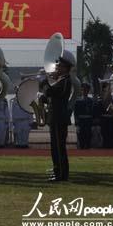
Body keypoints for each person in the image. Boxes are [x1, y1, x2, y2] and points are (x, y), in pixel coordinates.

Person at [39, 50, 74, 182]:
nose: (56, 68)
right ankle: (57, 171)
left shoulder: (65, 81)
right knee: (55, 147)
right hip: (55, 118)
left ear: (65, 68)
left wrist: (44, 81)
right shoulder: (61, 81)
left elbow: (51, 92)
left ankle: (61, 174)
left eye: (59, 66)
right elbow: (51, 97)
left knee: (59, 147)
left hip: (59, 118)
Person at [73, 82, 95, 149]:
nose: (85, 91)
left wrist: (93, 122)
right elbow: (76, 113)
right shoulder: (77, 101)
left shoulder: (91, 101)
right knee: (81, 137)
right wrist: (77, 123)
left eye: (86, 90)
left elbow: (92, 112)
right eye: (83, 90)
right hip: (81, 121)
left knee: (88, 137)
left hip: (88, 121)